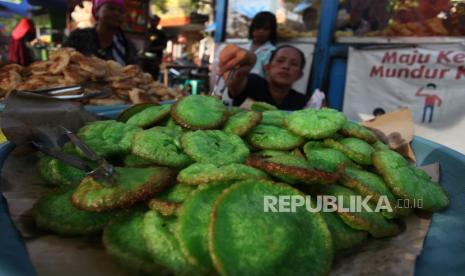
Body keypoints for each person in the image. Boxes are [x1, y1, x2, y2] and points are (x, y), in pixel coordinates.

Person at [219, 44, 307, 110]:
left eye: (294, 64)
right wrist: (243, 64)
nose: (286, 66)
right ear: (267, 68)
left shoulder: (301, 102)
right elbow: (235, 83)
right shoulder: (252, 83)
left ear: (300, 75)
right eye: (280, 61)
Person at [63, 0, 139, 65]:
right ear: (97, 11)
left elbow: (136, 74)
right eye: (111, 8)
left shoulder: (127, 46)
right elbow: (61, 60)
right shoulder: (79, 36)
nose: (116, 13)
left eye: (121, 11)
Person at [246, 11, 277, 78]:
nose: (261, 31)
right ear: (252, 29)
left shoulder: (271, 51)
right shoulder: (244, 47)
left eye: (266, 29)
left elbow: (269, 77)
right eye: (258, 28)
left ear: (272, 31)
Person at [145, 15, 167, 80]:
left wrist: (152, 48)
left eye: (156, 21)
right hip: (145, 60)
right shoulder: (146, 31)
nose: (154, 23)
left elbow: (163, 46)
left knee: (153, 77)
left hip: (155, 60)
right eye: (153, 21)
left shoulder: (161, 34)